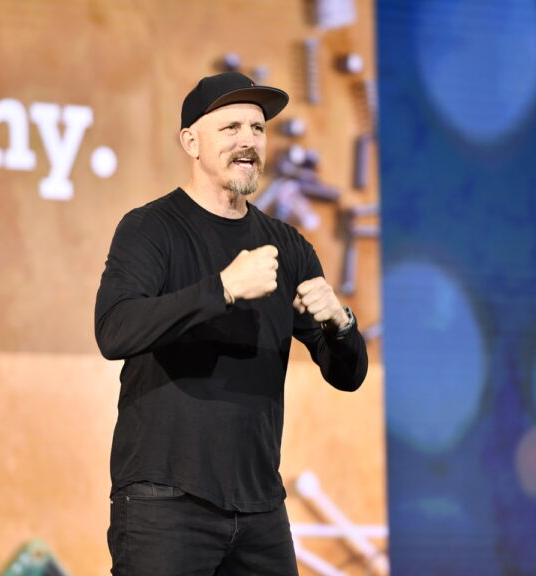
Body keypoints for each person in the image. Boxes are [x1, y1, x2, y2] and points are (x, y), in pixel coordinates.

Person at [94, 71, 368, 576]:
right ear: (191, 142)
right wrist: (221, 288)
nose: (249, 141)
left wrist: (340, 323)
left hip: (261, 508)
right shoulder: (150, 228)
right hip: (165, 502)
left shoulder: (288, 246)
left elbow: (347, 375)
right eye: (231, 128)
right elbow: (115, 330)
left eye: (258, 129)